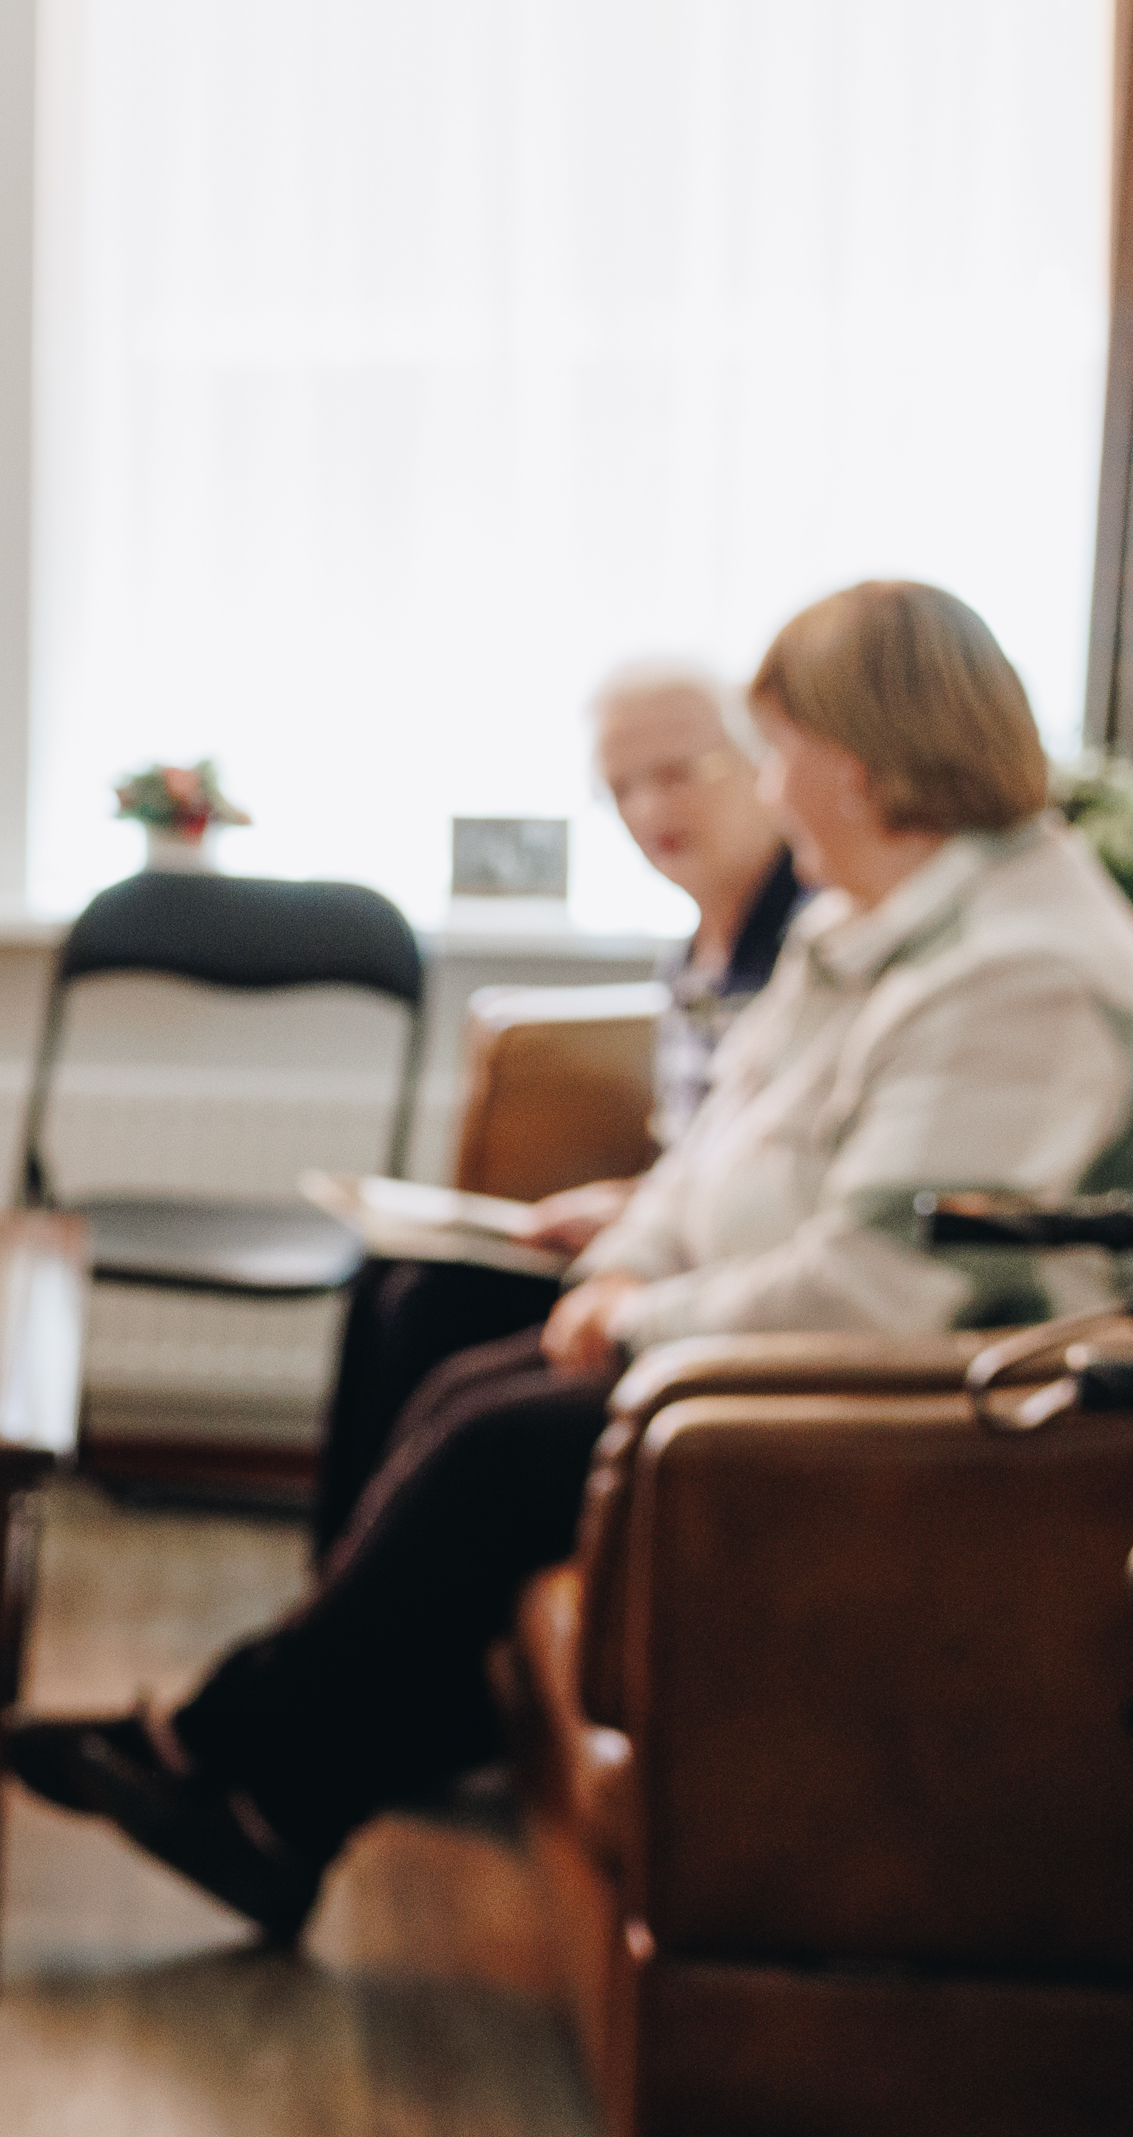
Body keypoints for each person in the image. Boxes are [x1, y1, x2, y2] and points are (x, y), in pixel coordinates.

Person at [8, 579, 1133, 1942]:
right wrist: (631, 1264)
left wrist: (646, 1314)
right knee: (462, 1364)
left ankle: (227, 1747)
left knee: (497, 1441)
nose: (768, 787)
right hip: (856, 1344)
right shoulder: (869, 927)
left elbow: (879, 1286)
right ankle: (278, 1798)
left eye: (778, 752)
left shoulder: (1021, 974)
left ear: (860, 762)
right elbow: (714, 1154)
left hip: (978, 1408)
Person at [307, 661, 802, 1550]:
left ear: (765, 764)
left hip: (718, 1278)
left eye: (677, 773)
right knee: (392, 1277)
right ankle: (345, 1570)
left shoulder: (813, 945)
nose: (650, 810)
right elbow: (704, 1152)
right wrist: (623, 1203)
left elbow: (778, 1174)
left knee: (431, 1311)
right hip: (670, 1234)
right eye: (621, 789)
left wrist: (638, 1219)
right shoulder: (693, 949)